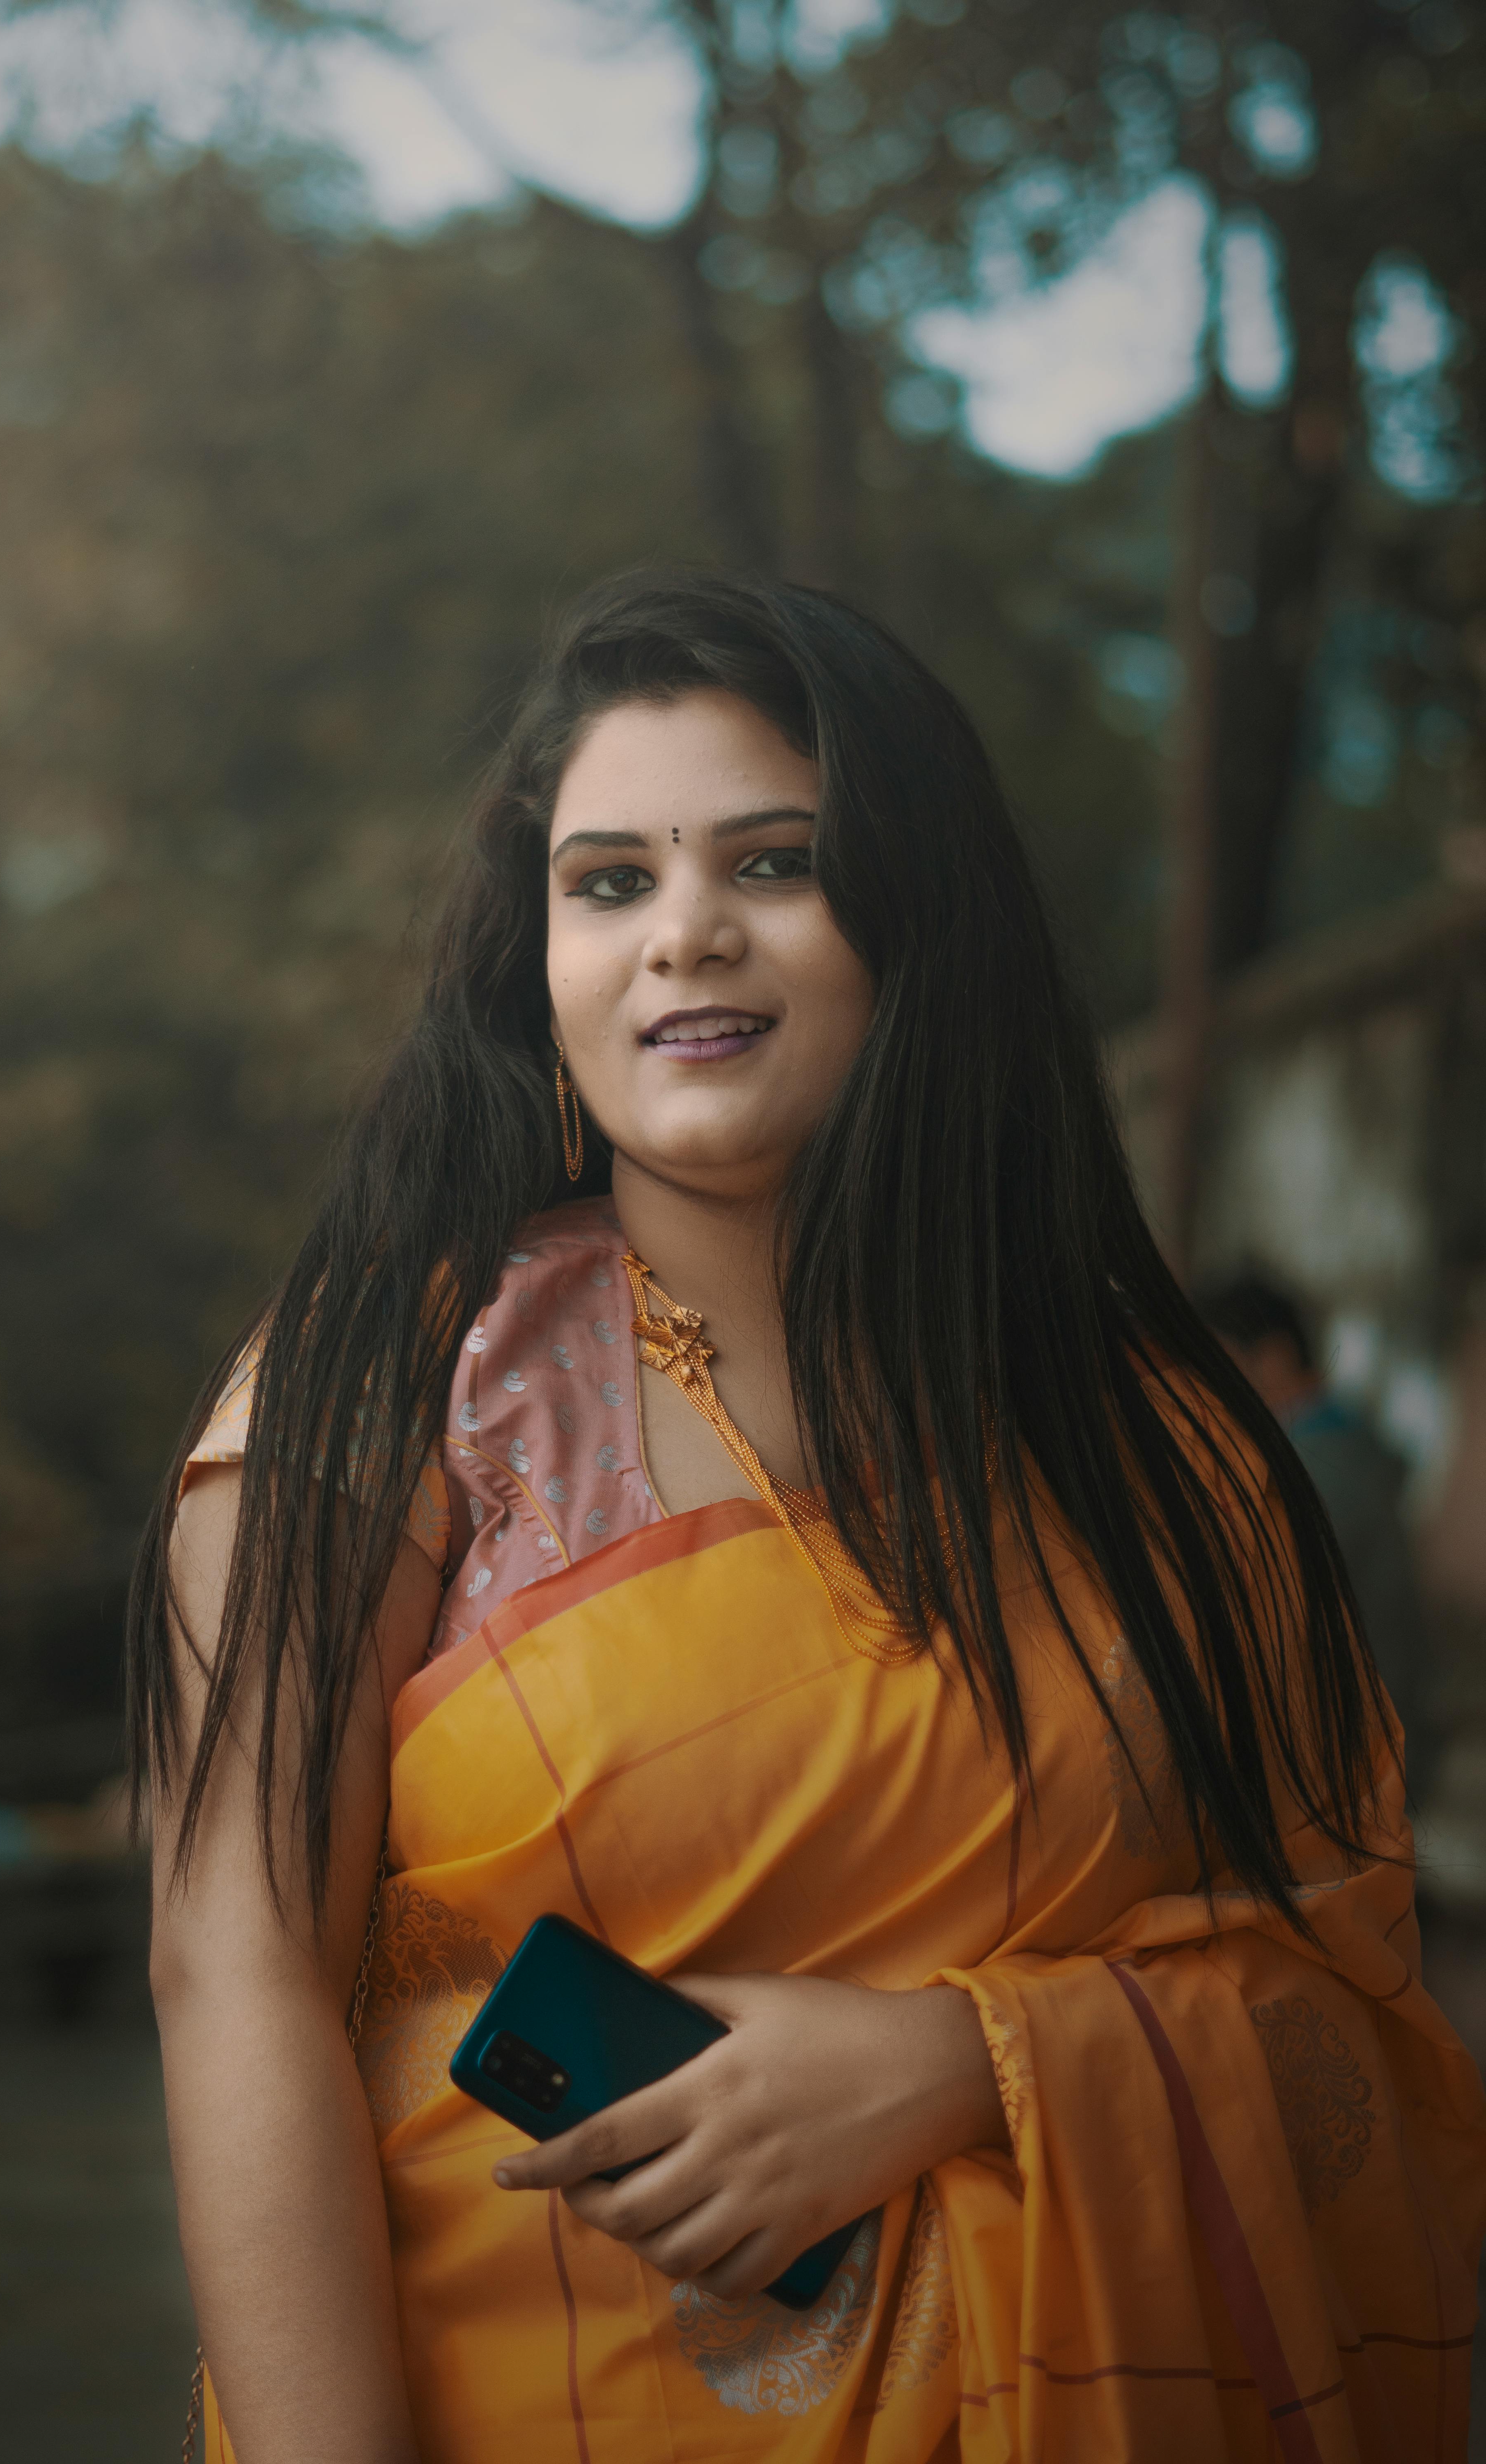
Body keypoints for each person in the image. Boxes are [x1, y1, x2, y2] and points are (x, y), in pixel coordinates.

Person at [129, 572, 1486, 2463]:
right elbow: (236, 1972)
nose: (681, 931)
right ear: (535, 959)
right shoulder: (388, 1389)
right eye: (606, 881)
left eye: (769, 862)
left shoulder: (1157, 1451)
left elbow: (1347, 2017)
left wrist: (959, 2064)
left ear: (915, 918)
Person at [1198, 1272, 1432, 1807]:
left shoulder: (1310, 1475)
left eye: (1213, 1359)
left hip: (1349, 1781)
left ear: (1274, 1359)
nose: (1198, 1387)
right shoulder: (1337, 1449)